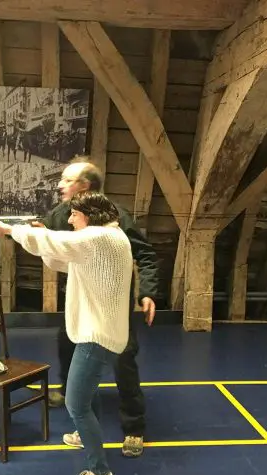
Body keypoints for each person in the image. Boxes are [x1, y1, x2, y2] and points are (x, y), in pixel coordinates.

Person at [0, 191, 133, 475]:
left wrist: (10, 230)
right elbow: (61, 256)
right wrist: (40, 237)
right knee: (88, 393)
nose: (70, 220)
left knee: (76, 403)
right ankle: (85, 435)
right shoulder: (111, 237)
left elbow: (59, 244)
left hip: (96, 334)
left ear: (90, 216)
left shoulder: (98, 238)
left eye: (75, 215)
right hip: (102, 331)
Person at [37, 157, 160, 458]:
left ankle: (134, 427)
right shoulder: (61, 213)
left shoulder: (115, 215)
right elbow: (49, 238)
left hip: (112, 306)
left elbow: (145, 254)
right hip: (80, 302)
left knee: (123, 359)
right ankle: (72, 395)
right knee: (67, 344)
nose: (60, 185)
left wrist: (147, 293)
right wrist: (37, 232)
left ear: (85, 186)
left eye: (67, 181)